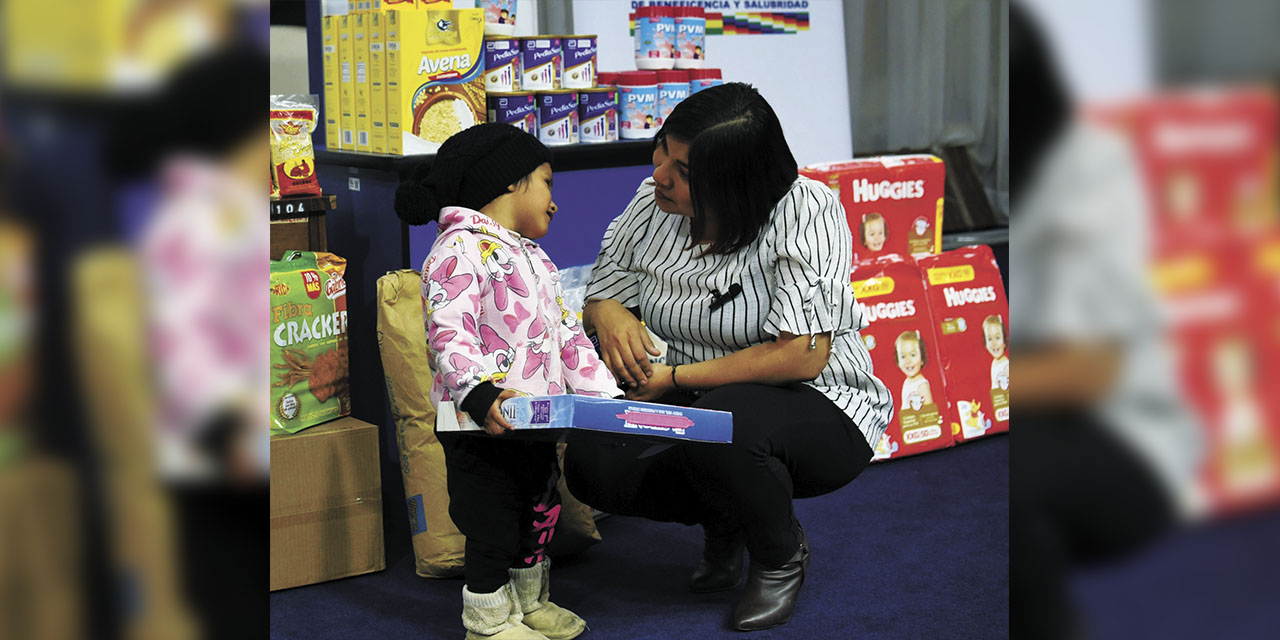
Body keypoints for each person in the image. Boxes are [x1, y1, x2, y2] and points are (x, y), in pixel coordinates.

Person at [565, 82, 893, 631]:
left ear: (737, 179)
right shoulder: (652, 203)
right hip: (696, 399)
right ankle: (728, 515)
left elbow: (801, 355)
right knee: (593, 464)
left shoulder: (805, 210)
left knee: (723, 426)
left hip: (818, 403)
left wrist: (673, 376)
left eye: (686, 171)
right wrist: (610, 313)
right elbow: (603, 292)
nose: (660, 174)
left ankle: (779, 554)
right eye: (662, 148)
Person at [394, 123, 624, 640]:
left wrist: (604, 399)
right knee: (491, 523)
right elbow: (447, 333)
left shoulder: (536, 259)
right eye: (547, 182)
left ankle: (528, 602)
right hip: (480, 424)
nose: (555, 201)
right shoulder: (457, 251)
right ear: (510, 183)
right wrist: (479, 394)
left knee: (538, 513)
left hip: (534, 421)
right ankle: (489, 622)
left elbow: (568, 338)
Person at [895, 330, 933, 410]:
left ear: (922, 358)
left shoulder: (922, 385)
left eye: (913, 355)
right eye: (903, 357)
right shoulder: (907, 381)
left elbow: (929, 414)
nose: (908, 361)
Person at [983, 315, 1010, 390]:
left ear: (1004, 341)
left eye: (997, 338)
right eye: (989, 339)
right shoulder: (994, 362)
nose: (994, 343)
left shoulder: (1006, 366)